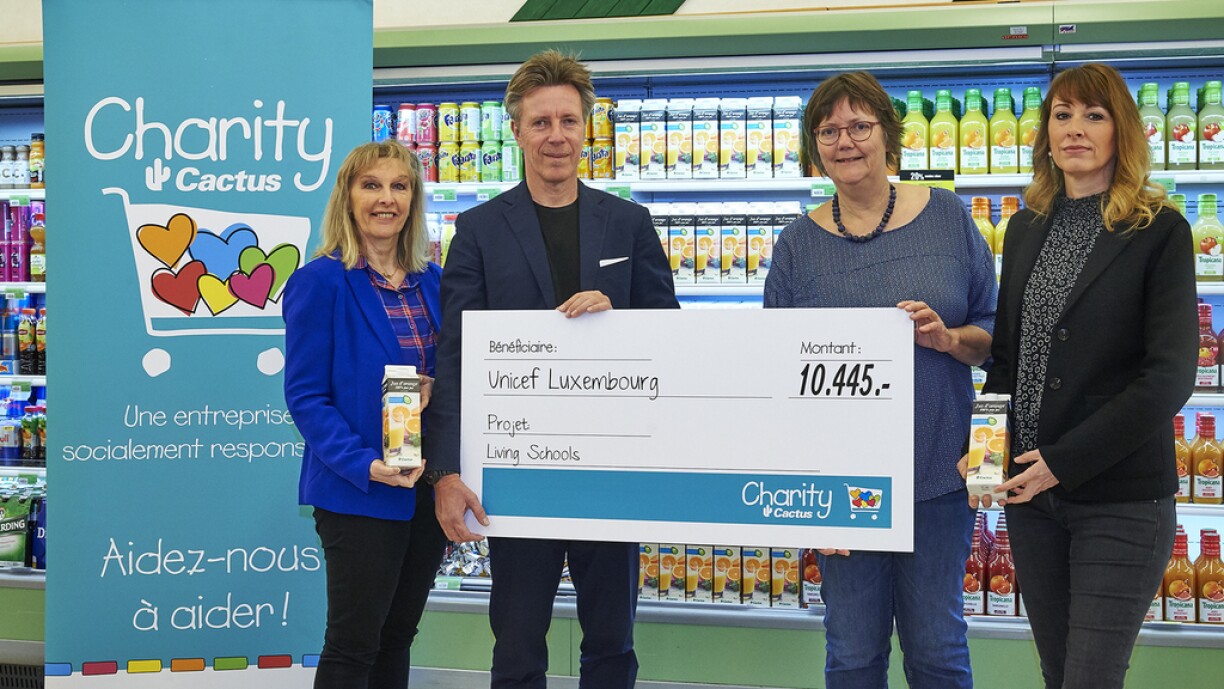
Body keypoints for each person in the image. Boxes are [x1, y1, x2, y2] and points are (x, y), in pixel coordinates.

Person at [423, 50, 678, 689]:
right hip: (516, 472)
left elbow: (673, 340)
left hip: (612, 471)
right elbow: (453, 357)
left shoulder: (630, 222)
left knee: (613, 644)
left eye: (569, 120)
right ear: (516, 131)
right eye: (541, 123)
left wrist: (616, 312)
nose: (556, 136)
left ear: (588, 126)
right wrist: (446, 471)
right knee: (515, 644)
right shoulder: (478, 230)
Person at [965, 63, 1196, 689]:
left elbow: (1170, 374)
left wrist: (1063, 461)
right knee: (1058, 672)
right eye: (1061, 116)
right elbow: (1008, 360)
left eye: (1094, 116)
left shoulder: (1158, 229)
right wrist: (987, 454)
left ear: (1121, 131)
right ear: (1045, 135)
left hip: (1120, 499)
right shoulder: (1026, 226)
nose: (1075, 130)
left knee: (1091, 679)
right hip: (1031, 501)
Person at [764, 71, 996, 689]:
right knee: (853, 652)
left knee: (939, 651)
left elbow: (992, 332)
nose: (846, 141)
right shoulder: (796, 245)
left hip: (939, 471)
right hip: (841, 483)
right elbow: (776, 374)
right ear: (815, 147)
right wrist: (804, 495)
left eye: (860, 126)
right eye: (829, 130)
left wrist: (947, 338)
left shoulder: (947, 218)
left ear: (887, 137)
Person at [283, 140, 447, 689]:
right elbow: (305, 396)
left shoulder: (433, 282)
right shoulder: (320, 281)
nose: (386, 199)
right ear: (348, 197)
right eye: (371, 185)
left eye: (400, 186)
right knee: (353, 645)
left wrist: (433, 385)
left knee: (398, 636)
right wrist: (364, 464)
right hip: (359, 489)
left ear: (414, 198)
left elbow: (454, 369)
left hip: (424, 488)